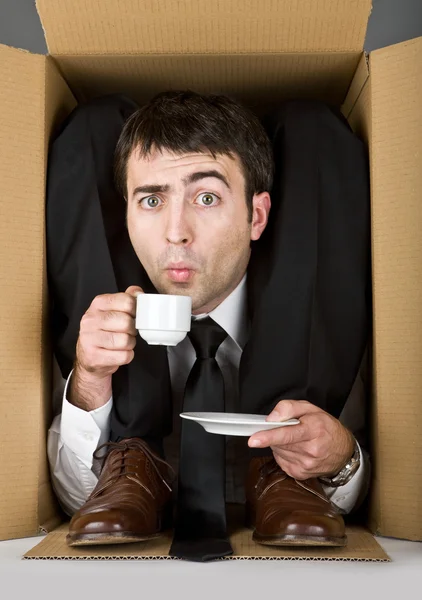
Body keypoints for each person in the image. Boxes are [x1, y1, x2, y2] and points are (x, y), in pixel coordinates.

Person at [46, 91, 370, 561]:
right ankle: (130, 447)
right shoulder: (95, 328)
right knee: (89, 127)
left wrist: (341, 458)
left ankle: (278, 470)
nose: (176, 232)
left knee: (314, 126)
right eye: (152, 200)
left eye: (206, 197)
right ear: (127, 217)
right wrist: (91, 382)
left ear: (256, 216)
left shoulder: (330, 328)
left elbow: (355, 486)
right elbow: (79, 508)